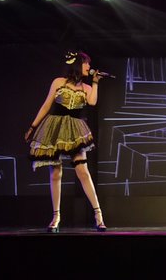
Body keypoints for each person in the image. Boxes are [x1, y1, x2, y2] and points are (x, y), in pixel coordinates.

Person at [25, 51, 107, 232]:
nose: (88, 66)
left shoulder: (86, 87)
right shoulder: (58, 82)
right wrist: (33, 126)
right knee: (55, 173)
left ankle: (98, 214)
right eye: (86, 63)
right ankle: (56, 216)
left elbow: (92, 102)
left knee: (82, 171)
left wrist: (95, 82)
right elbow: (46, 105)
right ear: (77, 64)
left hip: (75, 130)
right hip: (54, 128)